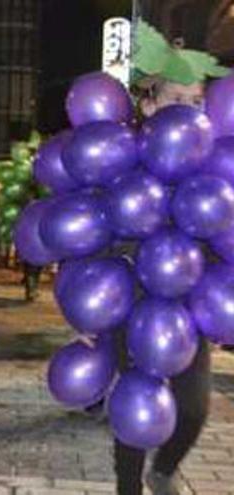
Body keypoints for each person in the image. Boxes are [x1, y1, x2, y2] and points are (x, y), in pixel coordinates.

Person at [111, 22, 225, 495]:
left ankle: (164, 469)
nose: (189, 115)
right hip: (132, 300)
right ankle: (128, 488)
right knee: (138, 402)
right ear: (150, 105)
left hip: (189, 307)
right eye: (176, 102)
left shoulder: (217, 169)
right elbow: (96, 239)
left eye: (196, 103)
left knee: (194, 408)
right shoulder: (124, 162)